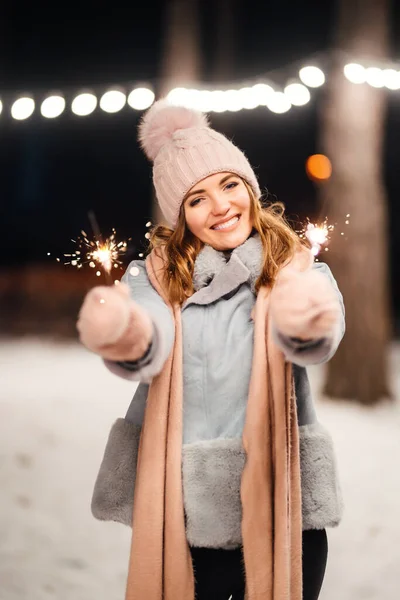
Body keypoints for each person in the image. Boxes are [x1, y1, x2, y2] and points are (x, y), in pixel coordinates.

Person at [77, 99, 345, 600]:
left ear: (249, 187)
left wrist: (301, 316)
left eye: (228, 184)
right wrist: (122, 331)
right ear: (180, 216)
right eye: (196, 199)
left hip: (284, 503)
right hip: (189, 514)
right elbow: (148, 338)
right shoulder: (154, 279)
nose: (220, 206)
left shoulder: (297, 269)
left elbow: (318, 340)